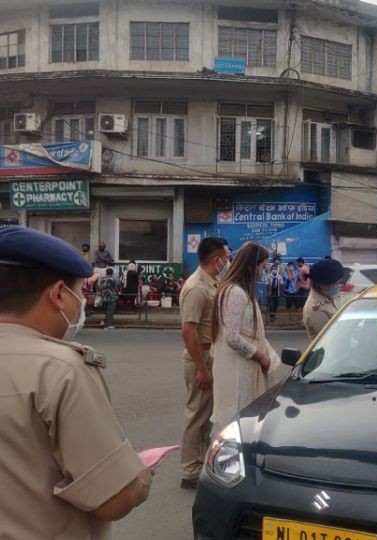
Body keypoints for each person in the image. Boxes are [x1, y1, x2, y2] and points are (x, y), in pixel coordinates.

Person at [0, 226, 152, 538]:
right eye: (80, 292)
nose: (82, 301)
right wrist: (140, 475)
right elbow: (113, 500)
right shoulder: (60, 369)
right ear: (57, 295)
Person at [211, 241, 279, 433]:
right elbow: (231, 337)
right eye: (262, 267)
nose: (262, 272)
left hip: (243, 367)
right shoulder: (235, 293)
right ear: (251, 266)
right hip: (237, 371)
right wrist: (260, 356)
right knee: (236, 422)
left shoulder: (240, 291)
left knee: (244, 422)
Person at [178, 236, 229, 489]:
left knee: (206, 414)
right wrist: (201, 367)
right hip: (202, 356)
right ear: (216, 259)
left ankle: (200, 463)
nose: (227, 262)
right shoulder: (197, 287)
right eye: (226, 258)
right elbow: (188, 331)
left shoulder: (213, 281)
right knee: (196, 415)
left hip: (211, 354)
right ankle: (190, 471)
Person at [303, 258, 345, 339]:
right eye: (335, 283)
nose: (338, 285)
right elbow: (332, 338)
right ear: (322, 285)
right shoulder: (316, 311)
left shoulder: (329, 297)